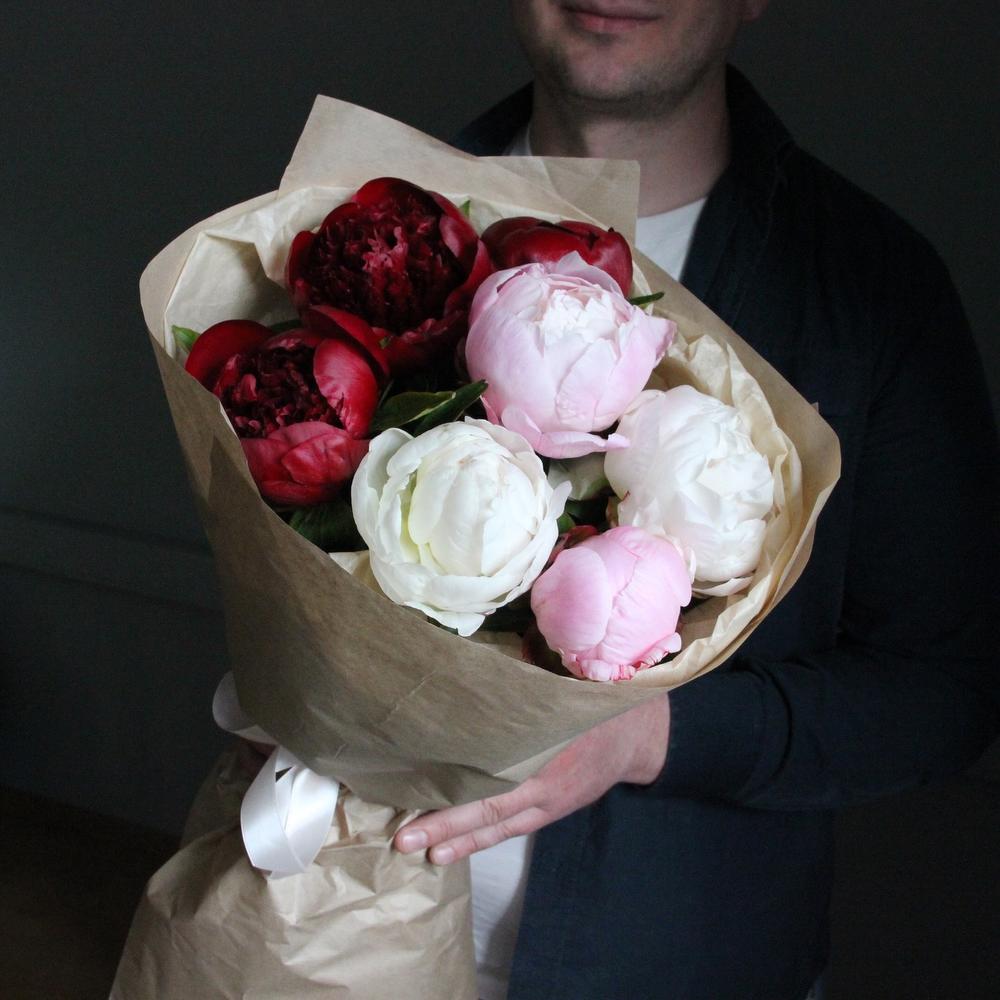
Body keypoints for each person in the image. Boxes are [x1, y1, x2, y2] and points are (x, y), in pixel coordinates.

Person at [393, 2, 1000, 998]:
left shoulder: (870, 288)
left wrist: (651, 736)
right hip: (337, 941)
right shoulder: (379, 230)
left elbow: (945, 689)